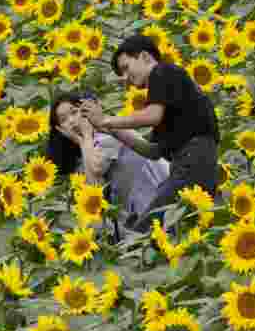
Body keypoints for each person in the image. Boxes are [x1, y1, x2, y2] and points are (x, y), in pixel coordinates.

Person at [82, 34, 220, 232]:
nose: (125, 77)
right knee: (172, 229)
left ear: (145, 57)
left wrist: (106, 120)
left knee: (148, 230)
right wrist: (108, 128)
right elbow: (152, 151)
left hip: (194, 160)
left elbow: (152, 116)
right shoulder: (169, 97)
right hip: (192, 164)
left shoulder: (163, 72)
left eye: (126, 67)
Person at [46, 90, 169, 238]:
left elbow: (95, 179)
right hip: (137, 213)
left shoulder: (108, 133)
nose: (71, 121)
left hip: (156, 197)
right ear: (59, 130)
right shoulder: (78, 155)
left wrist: (84, 138)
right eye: (63, 119)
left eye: (73, 112)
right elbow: (95, 193)